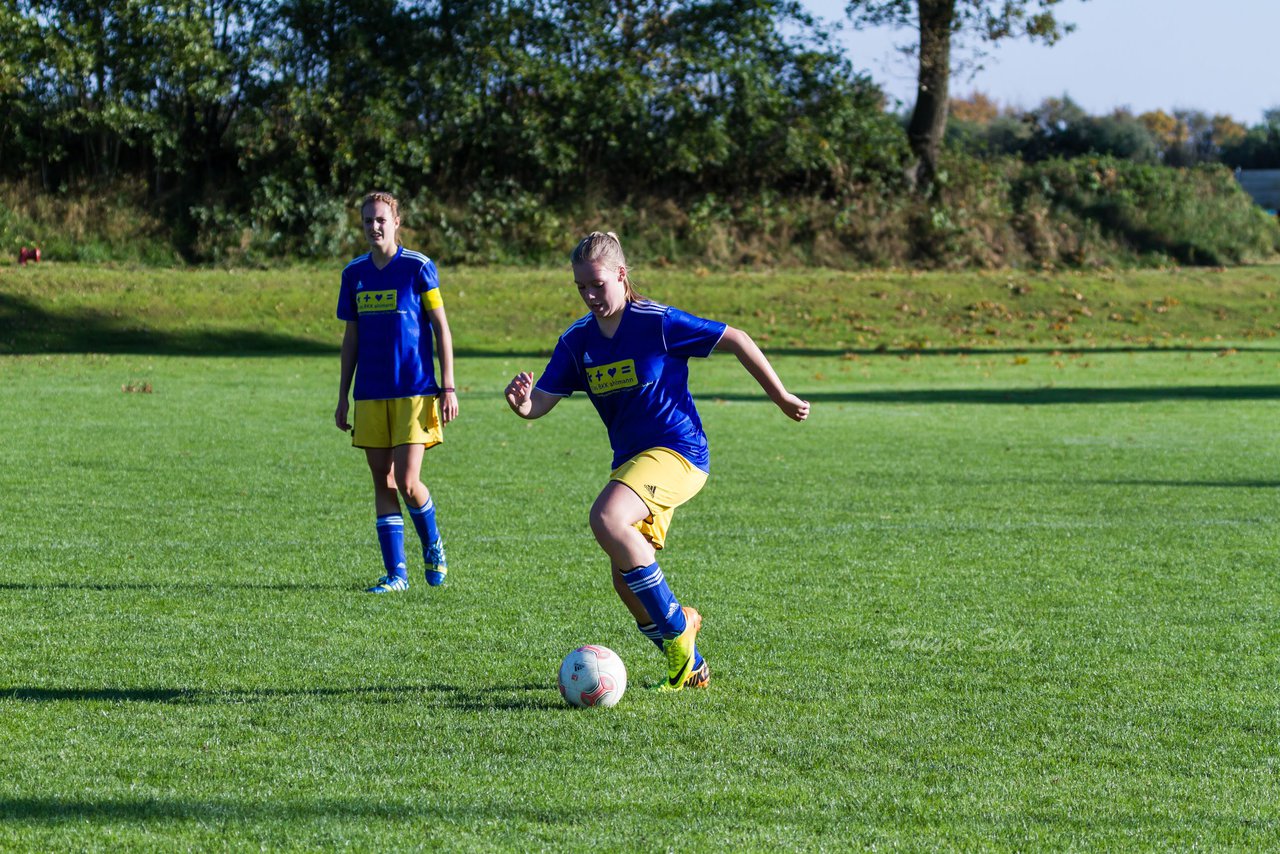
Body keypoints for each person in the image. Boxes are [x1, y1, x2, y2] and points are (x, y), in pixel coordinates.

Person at [504, 231, 809, 691]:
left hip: (680, 452)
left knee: (607, 518)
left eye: (597, 284)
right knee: (625, 580)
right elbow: (541, 401)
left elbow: (737, 339)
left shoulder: (656, 322)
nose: (589, 295)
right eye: (580, 287)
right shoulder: (577, 341)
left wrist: (781, 396)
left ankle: (678, 635)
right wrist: (524, 403)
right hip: (632, 463)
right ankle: (689, 662)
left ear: (622, 276)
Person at [335, 191, 458, 593]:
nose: (374, 226)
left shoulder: (418, 267)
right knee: (381, 480)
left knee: (407, 482)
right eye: (368, 220)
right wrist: (343, 396)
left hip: (415, 390)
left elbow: (441, 328)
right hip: (370, 393)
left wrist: (449, 386)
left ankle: (433, 544)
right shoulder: (354, 274)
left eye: (381, 220)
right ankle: (396, 575)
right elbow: (350, 338)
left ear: (396, 222)